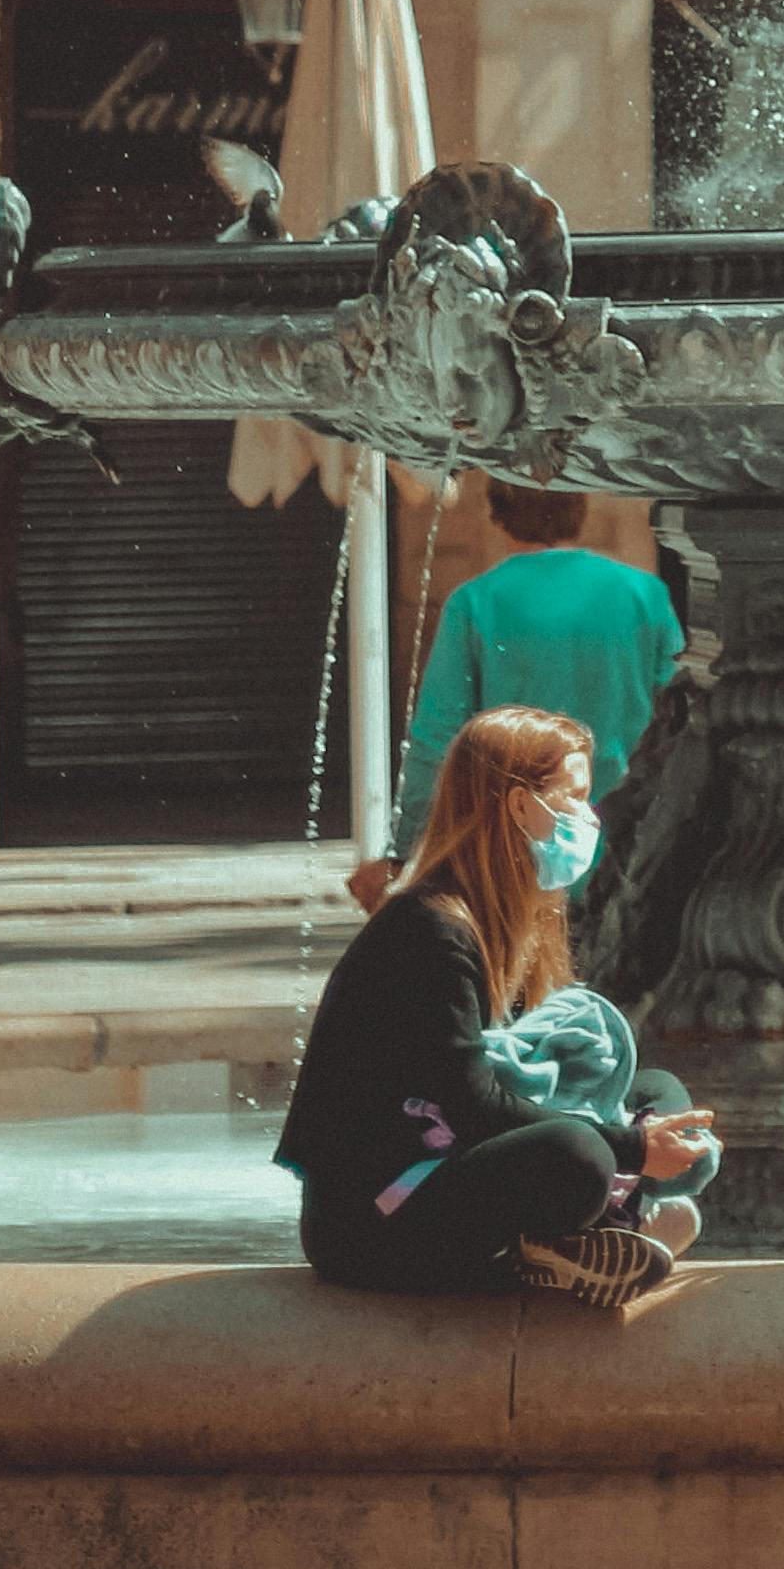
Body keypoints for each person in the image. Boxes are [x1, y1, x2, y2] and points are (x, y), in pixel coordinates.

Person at [281, 704, 719, 1310]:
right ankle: (588, 1235)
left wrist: (644, 1131)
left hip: (455, 1163)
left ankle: (587, 1240)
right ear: (519, 807)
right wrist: (633, 1149)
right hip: (377, 1217)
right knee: (579, 1157)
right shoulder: (427, 931)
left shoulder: (511, 924)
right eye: (573, 797)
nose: (588, 818)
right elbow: (473, 1104)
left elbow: (519, 1074)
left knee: (660, 1092)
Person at [394, 482, 687, 847]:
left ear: (496, 513)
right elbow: (680, 721)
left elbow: (437, 740)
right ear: (579, 507)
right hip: (624, 842)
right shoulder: (646, 594)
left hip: (518, 849)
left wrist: (410, 848)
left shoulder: (475, 602)